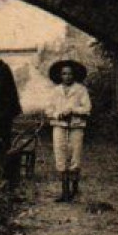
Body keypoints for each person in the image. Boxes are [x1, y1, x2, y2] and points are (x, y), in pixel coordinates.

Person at [46, 60, 92, 202]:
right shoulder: (55, 91)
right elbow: (48, 109)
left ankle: (74, 189)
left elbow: (87, 108)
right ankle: (64, 192)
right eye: (64, 74)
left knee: (75, 155)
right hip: (59, 126)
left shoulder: (81, 90)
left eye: (70, 74)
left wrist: (73, 110)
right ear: (60, 76)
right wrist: (57, 114)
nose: (67, 76)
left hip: (76, 126)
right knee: (60, 154)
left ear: (74, 75)